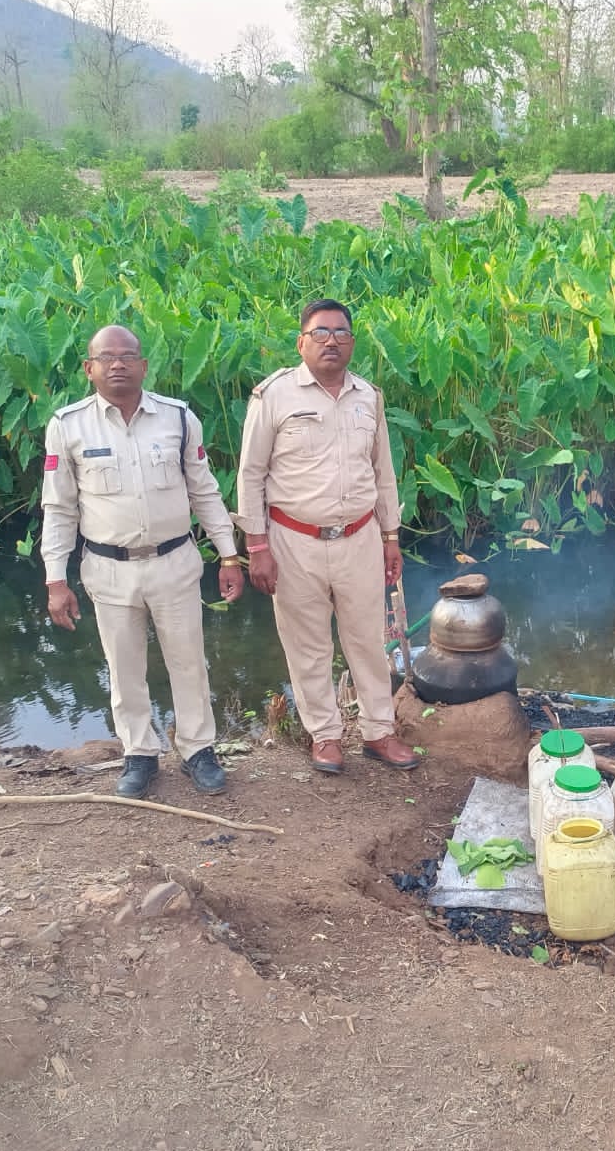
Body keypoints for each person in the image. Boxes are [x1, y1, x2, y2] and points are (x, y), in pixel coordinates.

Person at [41, 324, 245, 800]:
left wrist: (229, 554)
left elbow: (205, 490)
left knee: (189, 662)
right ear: (89, 368)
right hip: (107, 568)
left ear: (143, 366)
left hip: (175, 560)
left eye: (127, 356)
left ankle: (198, 750)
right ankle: (140, 754)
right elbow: (59, 507)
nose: (118, 364)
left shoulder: (177, 418)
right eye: (106, 357)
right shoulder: (68, 425)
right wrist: (56, 579)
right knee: (124, 666)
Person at [235, 299, 419, 775]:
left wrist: (390, 537)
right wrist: (257, 548)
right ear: (301, 342)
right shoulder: (273, 395)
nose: (331, 341)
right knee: (308, 645)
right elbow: (250, 475)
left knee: (367, 641)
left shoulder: (368, 396)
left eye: (340, 332)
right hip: (293, 542)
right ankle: (326, 736)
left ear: (352, 342)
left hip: (360, 536)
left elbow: (384, 472)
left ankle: (380, 732)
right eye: (320, 333)